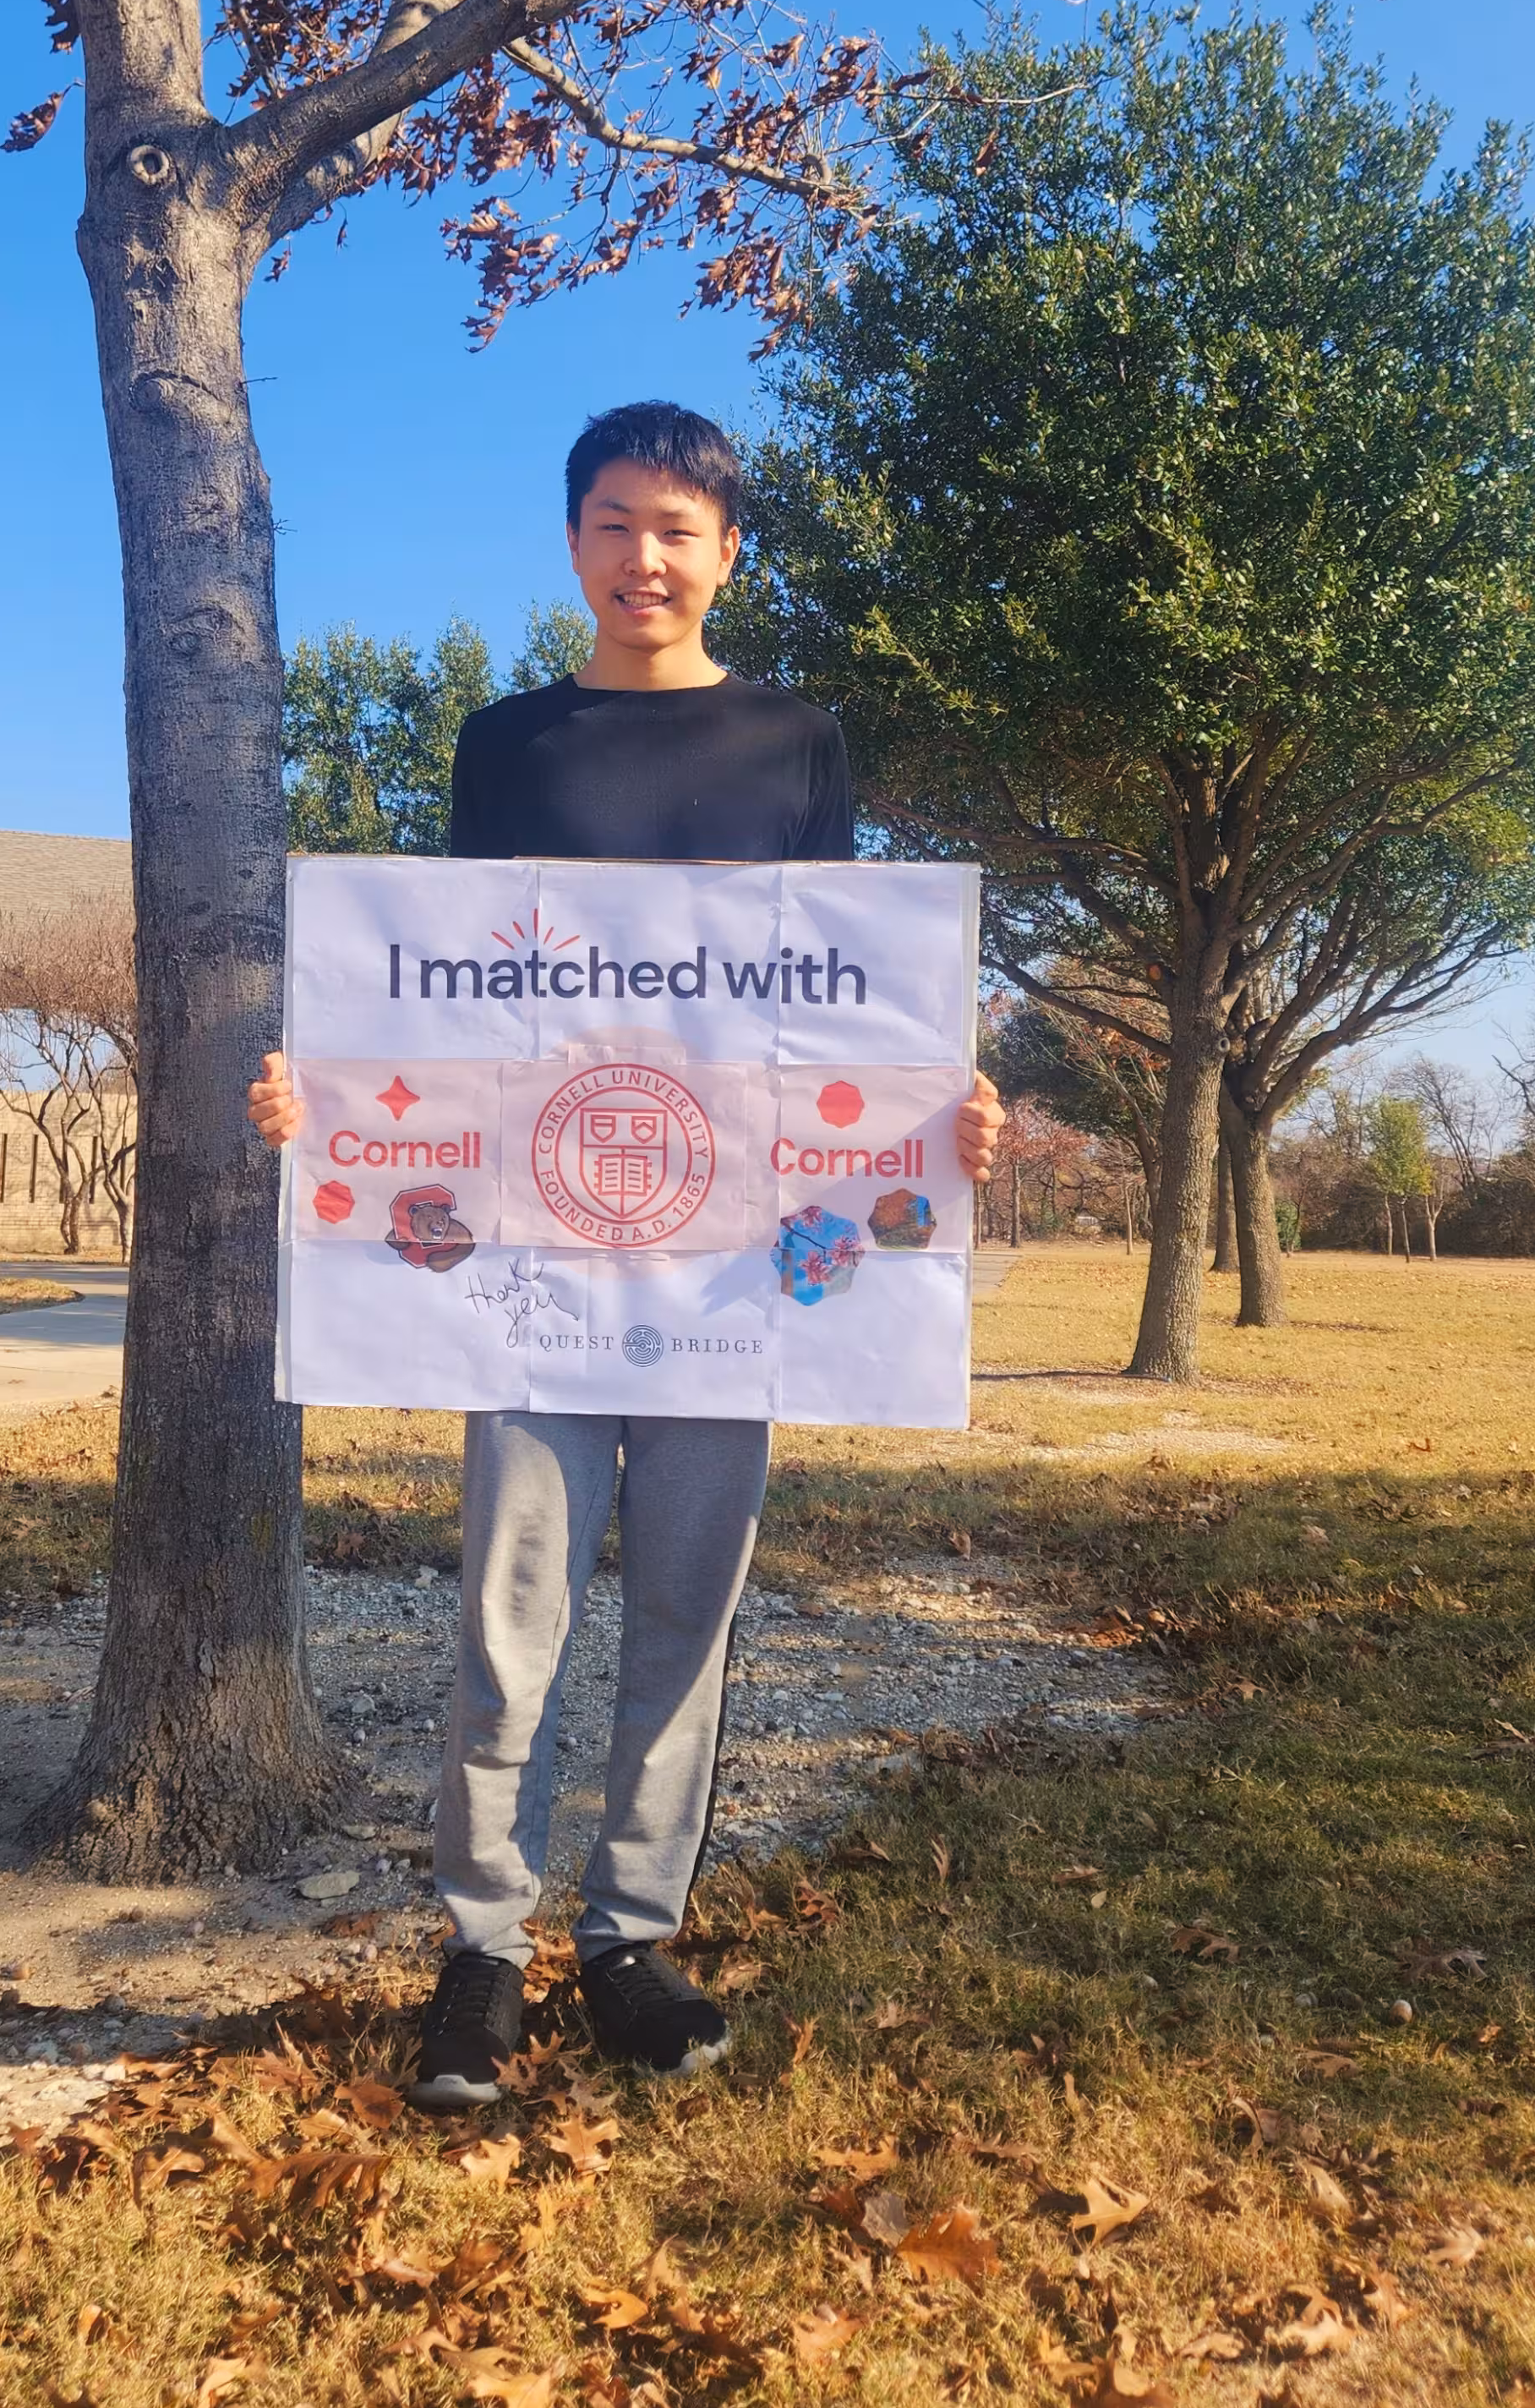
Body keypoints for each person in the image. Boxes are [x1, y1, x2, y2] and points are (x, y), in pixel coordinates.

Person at [247, 399, 1006, 2113]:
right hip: (529, 1258)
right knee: (510, 1615)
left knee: (685, 1603)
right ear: (571, 540)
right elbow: (440, 991)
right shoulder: (506, 744)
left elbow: (848, 1003)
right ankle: (482, 1950)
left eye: (677, 526)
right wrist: (334, 1099)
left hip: (734, 1274)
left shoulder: (799, 744)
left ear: (730, 548)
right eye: (611, 522)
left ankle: (631, 1941)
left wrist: (943, 1125)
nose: (643, 556)